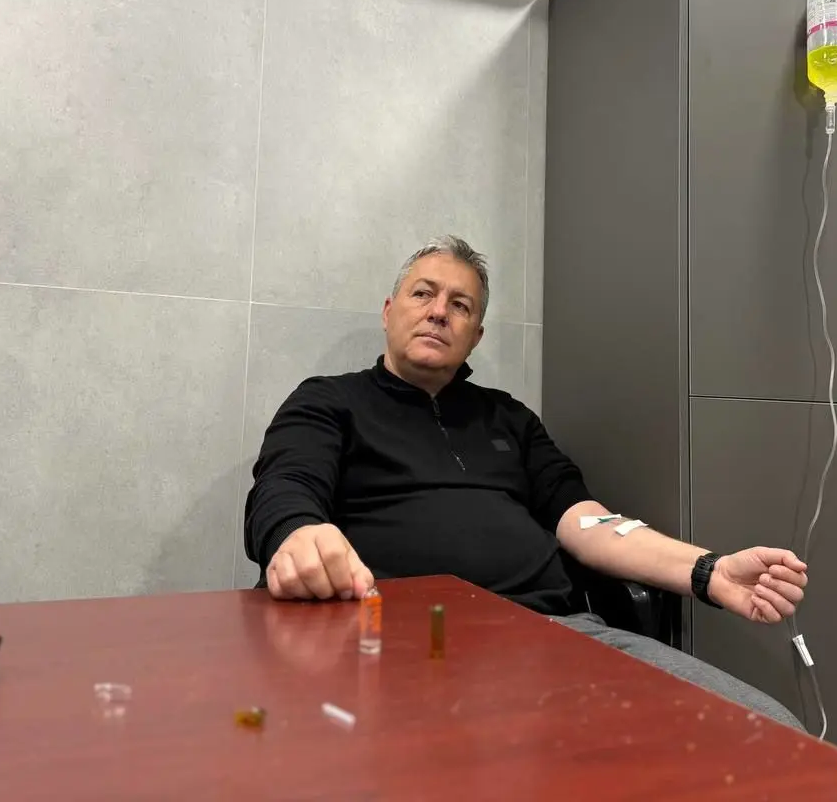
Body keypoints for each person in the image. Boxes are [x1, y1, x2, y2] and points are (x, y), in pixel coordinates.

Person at [244, 236, 808, 728]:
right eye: (423, 294)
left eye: (460, 305)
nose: (438, 312)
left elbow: (588, 521)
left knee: (774, 731)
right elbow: (285, 489)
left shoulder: (509, 418)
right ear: (389, 312)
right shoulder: (329, 402)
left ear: (476, 335)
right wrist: (297, 533)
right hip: (400, 641)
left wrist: (709, 572)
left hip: (554, 636)